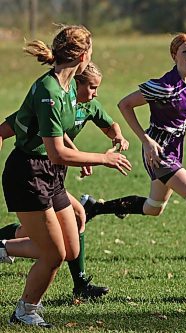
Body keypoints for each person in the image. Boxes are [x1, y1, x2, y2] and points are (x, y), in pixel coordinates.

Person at [80, 33, 186, 276]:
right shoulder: (163, 86)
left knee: (153, 207)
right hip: (158, 149)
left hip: (175, 149)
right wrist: (145, 140)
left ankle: (95, 207)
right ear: (174, 56)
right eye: (185, 52)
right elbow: (124, 104)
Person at [0, 25, 132, 328]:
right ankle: (25, 311)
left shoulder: (66, 89)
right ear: (84, 56)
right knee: (53, 255)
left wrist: (86, 153)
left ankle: (3, 248)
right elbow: (56, 151)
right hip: (29, 173)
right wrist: (103, 158)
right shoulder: (48, 91)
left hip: (50, 174)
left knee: (71, 248)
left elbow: (59, 138)